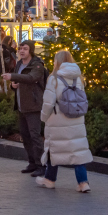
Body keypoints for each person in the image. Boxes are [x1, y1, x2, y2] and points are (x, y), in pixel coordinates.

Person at [36, 50, 92, 192]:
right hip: (76, 119)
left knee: (54, 150)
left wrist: (43, 118)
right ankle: (83, 183)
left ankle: (49, 180)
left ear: (57, 61)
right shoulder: (78, 78)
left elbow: (48, 103)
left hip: (57, 120)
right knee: (78, 151)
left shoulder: (53, 78)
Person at [3, 40, 47, 177]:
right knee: (25, 135)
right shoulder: (20, 65)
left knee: (35, 136)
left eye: (25, 49)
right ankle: (32, 162)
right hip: (22, 106)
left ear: (31, 51)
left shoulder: (37, 65)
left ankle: (41, 165)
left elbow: (31, 78)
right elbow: (18, 82)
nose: (22, 51)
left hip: (33, 105)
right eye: (20, 49)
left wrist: (12, 77)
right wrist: (12, 85)